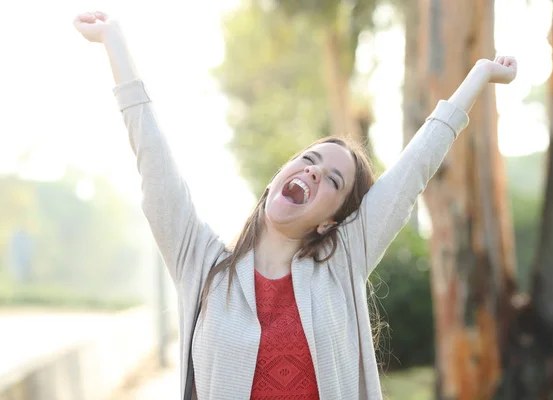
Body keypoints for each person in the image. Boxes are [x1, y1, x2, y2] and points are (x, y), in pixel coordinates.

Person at [73, 10, 517, 400]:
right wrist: (114, 42)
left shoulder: (344, 262)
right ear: (276, 180)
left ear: (330, 223)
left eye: (333, 180)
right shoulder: (201, 264)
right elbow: (154, 162)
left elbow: (414, 169)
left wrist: (478, 75)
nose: (313, 172)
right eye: (308, 160)